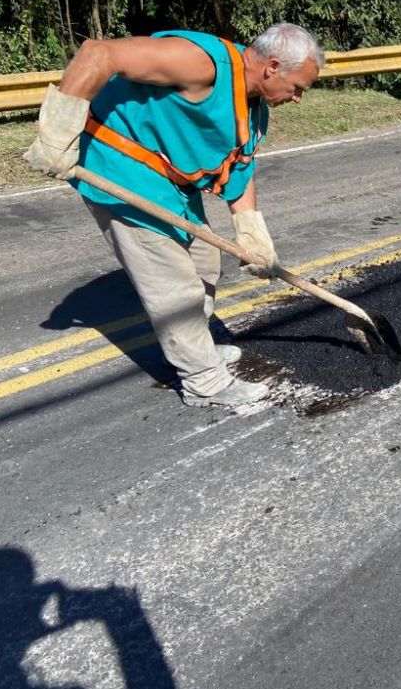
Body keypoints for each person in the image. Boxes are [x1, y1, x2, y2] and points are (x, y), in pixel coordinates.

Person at [24, 23, 324, 406]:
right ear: (273, 67)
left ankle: (194, 346)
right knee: (173, 284)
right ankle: (204, 382)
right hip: (118, 167)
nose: (297, 98)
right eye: (298, 87)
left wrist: (252, 234)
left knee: (204, 263)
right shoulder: (201, 64)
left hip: (168, 183)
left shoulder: (252, 106)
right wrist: (56, 135)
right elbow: (98, 54)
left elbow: (241, 165)